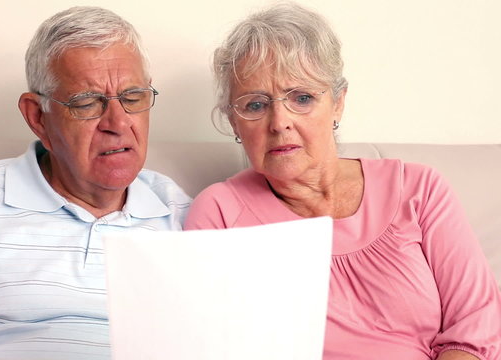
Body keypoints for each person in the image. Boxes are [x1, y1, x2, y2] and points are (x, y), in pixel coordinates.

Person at [184, 2, 501, 360]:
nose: (279, 122)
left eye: (302, 98)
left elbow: (476, 327)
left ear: (338, 103)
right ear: (233, 121)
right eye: (255, 105)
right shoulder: (219, 214)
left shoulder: (420, 189)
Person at [0, 6, 191, 359]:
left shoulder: (181, 214)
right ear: (38, 118)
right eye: (87, 103)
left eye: (133, 98)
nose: (118, 123)